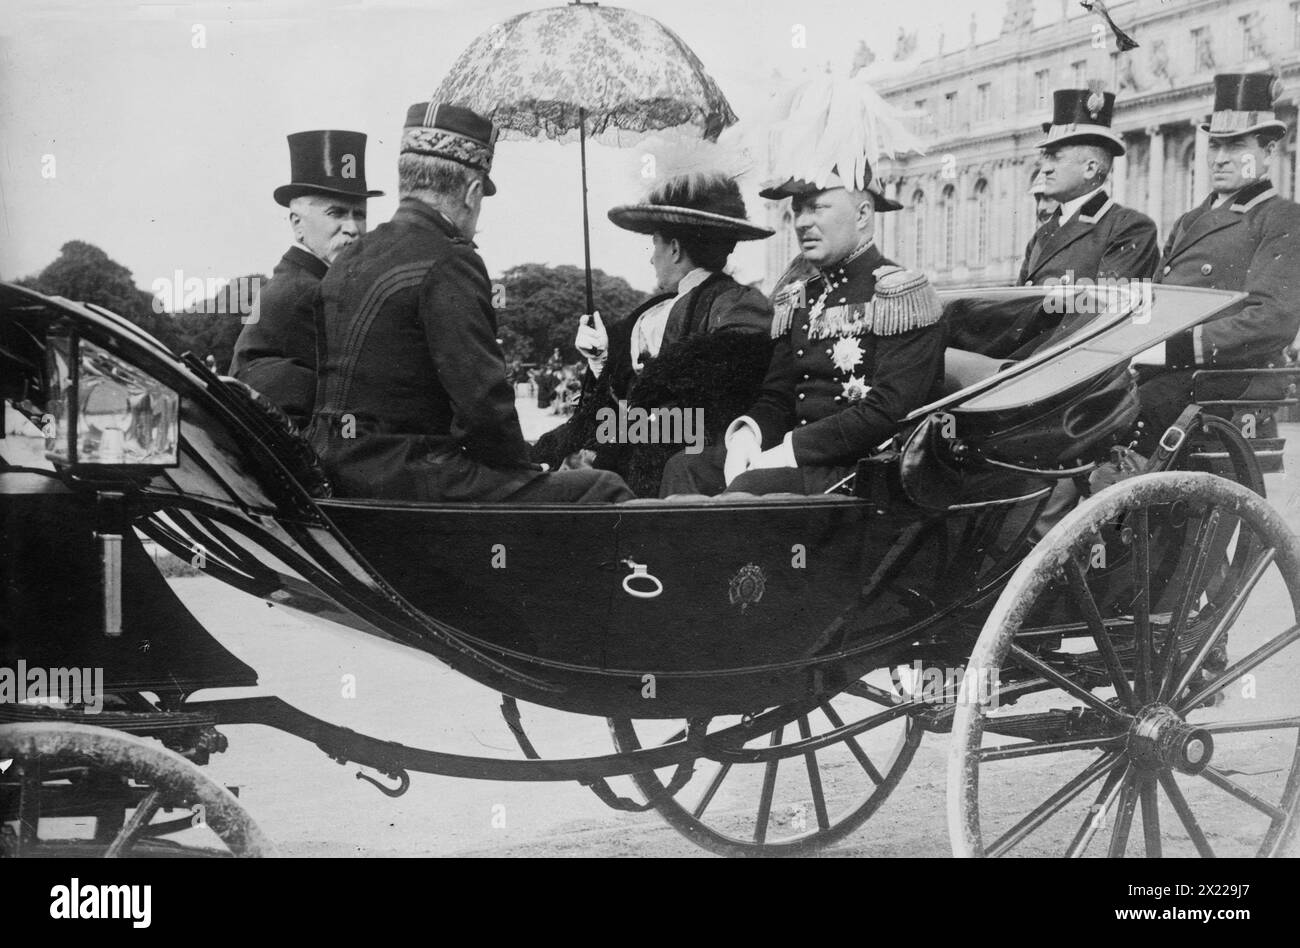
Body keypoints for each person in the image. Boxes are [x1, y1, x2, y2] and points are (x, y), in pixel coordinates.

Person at [308, 102, 632, 504]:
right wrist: (525, 469)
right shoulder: (450, 260)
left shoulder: (349, 260)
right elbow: (482, 406)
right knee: (602, 488)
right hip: (406, 479)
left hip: (335, 469)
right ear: (472, 191)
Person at [659, 175, 944, 496]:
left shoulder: (900, 293)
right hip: (804, 459)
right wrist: (747, 436)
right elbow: (778, 397)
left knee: (750, 485)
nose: (803, 222)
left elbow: (888, 410)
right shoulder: (798, 298)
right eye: (797, 210)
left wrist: (788, 451)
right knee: (686, 467)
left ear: (863, 214)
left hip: (866, 467)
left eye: (817, 208)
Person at [533, 172, 774, 495]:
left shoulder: (736, 304)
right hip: (637, 462)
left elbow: (713, 398)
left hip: (688, 475)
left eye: (654, 244)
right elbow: (619, 415)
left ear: (674, 249)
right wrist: (603, 364)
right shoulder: (651, 312)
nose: (650, 257)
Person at [1135, 72, 1300, 451]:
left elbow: (1273, 319)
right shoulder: (1189, 221)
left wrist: (1173, 348)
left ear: (1269, 152)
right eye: (1214, 146)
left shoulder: (1282, 218)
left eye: (1236, 146)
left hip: (1226, 378)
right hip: (1170, 372)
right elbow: (1158, 301)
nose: (1220, 159)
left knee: (1123, 415)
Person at [230, 130, 382, 428]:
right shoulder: (309, 294)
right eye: (336, 213)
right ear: (297, 223)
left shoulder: (302, 281)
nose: (352, 228)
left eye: (359, 214)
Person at [1018, 89, 1158, 289]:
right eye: (1046, 157)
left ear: (1090, 168)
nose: (1045, 169)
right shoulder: (1042, 236)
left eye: (1056, 157)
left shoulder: (1129, 229)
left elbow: (1107, 310)